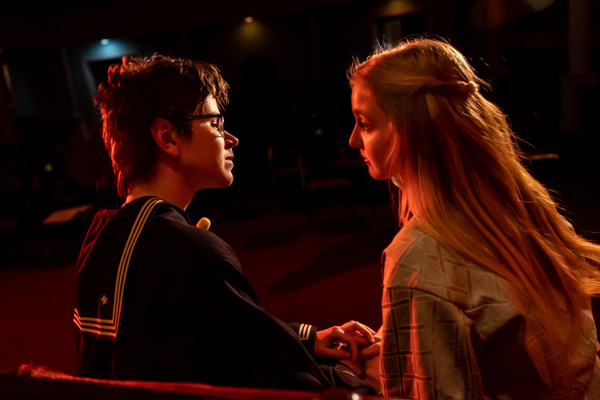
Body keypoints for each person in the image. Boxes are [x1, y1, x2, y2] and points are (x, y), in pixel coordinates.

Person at [73, 54, 376, 391]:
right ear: (168, 136)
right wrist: (361, 380)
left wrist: (306, 337)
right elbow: (281, 377)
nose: (231, 138)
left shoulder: (104, 232)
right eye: (215, 123)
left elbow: (229, 333)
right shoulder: (190, 250)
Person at [347, 38, 600, 399]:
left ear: (409, 130)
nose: (353, 139)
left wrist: (384, 372)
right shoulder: (534, 216)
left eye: (365, 122)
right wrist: (403, 341)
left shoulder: (418, 258)